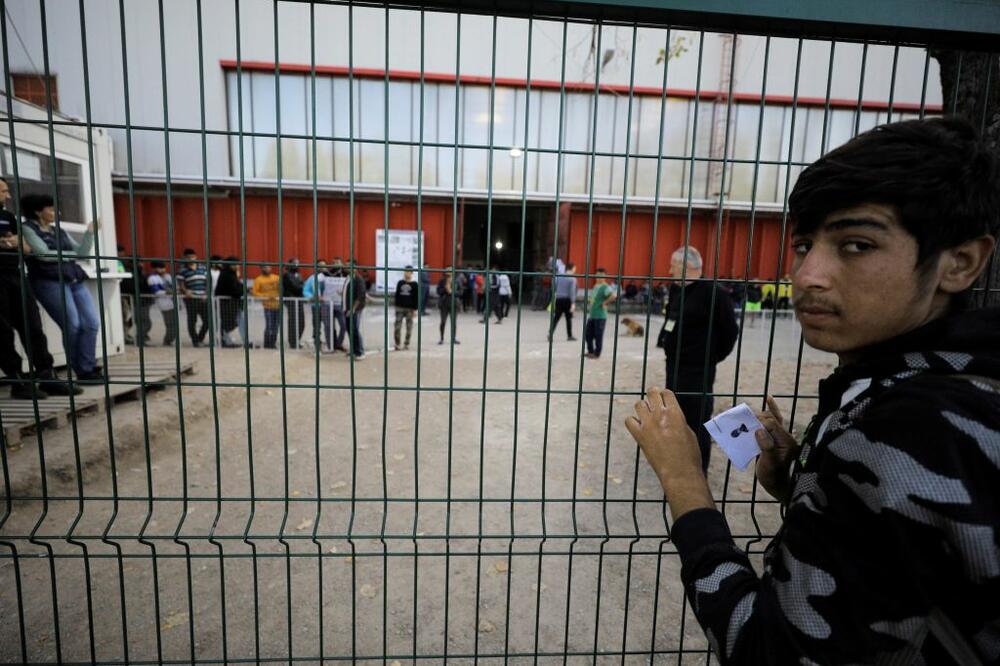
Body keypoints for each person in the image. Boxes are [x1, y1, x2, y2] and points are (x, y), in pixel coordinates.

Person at [625, 117, 1000, 664]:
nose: (807, 275)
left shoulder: (907, 427)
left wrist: (684, 481)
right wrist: (802, 480)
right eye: (804, 244)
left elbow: (766, 651)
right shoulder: (945, 381)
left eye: (856, 244)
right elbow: (904, 554)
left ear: (959, 263)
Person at [659, 246, 739, 471]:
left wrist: (711, 357)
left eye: (673, 266)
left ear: (686, 267)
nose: (669, 270)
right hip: (674, 365)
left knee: (697, 418)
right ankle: (677, 463)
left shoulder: (714, 293)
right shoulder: (678, 290)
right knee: (675, 414)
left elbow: (730, 332)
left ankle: (697, 469)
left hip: (698, 369)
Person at [0, 178, 79, 398]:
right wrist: (5, 243)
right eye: (4, 191)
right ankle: (17, 381)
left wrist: (15, 243)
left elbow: (26, 248)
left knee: (32, 325)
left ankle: (46, 375)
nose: (7, 196)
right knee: (3, 331)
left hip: (15, 275)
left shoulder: (8, 217)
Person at [20, 193, 104, 381]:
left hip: (73, 279)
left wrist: (90, 233)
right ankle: (82, 370)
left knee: (91, 323)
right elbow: (43, 255)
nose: (55, 212)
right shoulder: (27, 229)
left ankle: (88, 366)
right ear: (37, 212)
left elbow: (81, 252)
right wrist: (68, 255)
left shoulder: (58, 230)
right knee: (72, 325)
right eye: (50, 208)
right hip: (48, 282)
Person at [176, 248, 210, 347]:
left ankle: (200, 338)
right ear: (185, 258)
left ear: (195, 257)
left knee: (207, 321)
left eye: (192, 257)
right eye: (188, 257)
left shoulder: (203, 268)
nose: (191, 259)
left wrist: (206, 293)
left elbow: (207, 282)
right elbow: (181, 284)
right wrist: (186, 292)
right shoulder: (182, 271)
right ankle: (195, 341)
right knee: (192, 321)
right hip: (191, 298)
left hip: (203, 298)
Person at [584, 268, 616, 359]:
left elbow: (613, 295)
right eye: (597, 275)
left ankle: (597, 353)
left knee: (598, 335)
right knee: (588, 334)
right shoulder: (596, 286)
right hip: (593, 315)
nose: (598, 278)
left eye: (601, 276)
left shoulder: (605, 287)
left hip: (600, 316)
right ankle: (590, 351)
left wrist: (605, 303)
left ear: (604, 277)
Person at [214, 256, 244, 348]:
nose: (238, 266)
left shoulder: (231, 274)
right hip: (226, 304)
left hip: (232, 304)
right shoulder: (227, 275)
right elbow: (234, 290)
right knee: (227, 323)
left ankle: (229, 341)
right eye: (236, 264)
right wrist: (242, 291)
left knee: (238, 321)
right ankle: (225, 341)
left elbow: (238, 286)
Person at [147, 261, 178, 346]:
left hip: (173, 302)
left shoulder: (168, 276)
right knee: (170, 324)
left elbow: (175, 287)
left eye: (163, 268)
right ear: (154, 268)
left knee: (175, 324)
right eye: (160, 268)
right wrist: (168, 292)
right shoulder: (152, 278)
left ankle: (169, 340)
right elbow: (156, 291)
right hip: (164, 304)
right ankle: (167, 340)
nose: (162, 270)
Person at [303, 260, 331, 351]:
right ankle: (317, 344)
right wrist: (311, 297)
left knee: (329, 326)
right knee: (317, 325)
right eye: (320, 266)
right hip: (316, 306)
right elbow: (305, 290)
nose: (322, 268)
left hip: (328, 306)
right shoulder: (312, 278)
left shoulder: (329, 278)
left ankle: (330, 344)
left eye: (324, 266)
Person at [547, 262, 578, 342]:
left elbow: (554, 286)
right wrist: (573, 302)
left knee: (556, 317)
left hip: (558, 299)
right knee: (568, 318)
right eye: (574, 268)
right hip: (567, 300)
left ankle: (550, 333)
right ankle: (569, 335)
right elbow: (572, 291)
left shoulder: (559, 276)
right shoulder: (572, 278)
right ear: (572, 268)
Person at [252, 264, 281, 349]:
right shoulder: (258, 280)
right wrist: (266, 296)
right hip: (267, 306)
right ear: (261, 268)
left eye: (269, 267)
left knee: (276, 326)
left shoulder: (276, 278)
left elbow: (282, 288)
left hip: (278, 305)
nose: (268, 269)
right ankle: (267, 344)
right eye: (266, 267)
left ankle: (273, 343)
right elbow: (255, 292)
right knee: (269, 325)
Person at [323, 260, 348, 352]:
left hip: (340, 304)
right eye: (334, 262)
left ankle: (338, 344)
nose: (336, 264)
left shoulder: (345, 274)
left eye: (338, 262)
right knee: (328, 326)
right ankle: (330, 346)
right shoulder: (326, 273)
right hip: (327, 304)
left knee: (344, 325)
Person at [343, 266, 368, 359]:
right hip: (346, 308)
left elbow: (360, 295)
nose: (347, 268)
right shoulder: (348, 278)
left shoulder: (358, 279)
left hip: (354, 310)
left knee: (354, 330)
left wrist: (353, 309)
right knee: (350, 330)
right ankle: (353, 350)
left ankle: (360, 352)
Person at [281, 258, 305, 349]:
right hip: (291, 300)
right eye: (295, 263)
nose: (297, 265)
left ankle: (296, 340)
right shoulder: (286, 275)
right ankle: (293, 342)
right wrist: (301, 286)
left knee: (301, 322)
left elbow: (301, 285)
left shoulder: (298, 274)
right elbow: (295, 287)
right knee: (293, 321)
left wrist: (301, 286)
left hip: (299, 300)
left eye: (298, 263)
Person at [393, 266, 418, 351]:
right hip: (399, 308)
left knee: (409, 327)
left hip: (410, 309)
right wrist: (395, 306)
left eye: (408, 272)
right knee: (397, 327)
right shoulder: (400, 283)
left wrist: (415, 309)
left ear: (411, 273)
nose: (406, 273)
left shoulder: (415, 284)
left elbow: (416, 297)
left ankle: (406, 343)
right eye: (405, 271)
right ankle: (397, 343)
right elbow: (397, 295)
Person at [436, 271, 460, 345]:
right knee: (443, 322)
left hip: (454, 305)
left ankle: (453, 338)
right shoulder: (442, 282)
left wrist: (451, 291)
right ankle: (441, 338)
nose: (448, 277)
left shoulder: (456, 282)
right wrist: (445, 288)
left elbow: (460, 292)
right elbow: (438, 292)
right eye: (447, 275)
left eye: (450, 275)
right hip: (444, 305)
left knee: (453, 323)